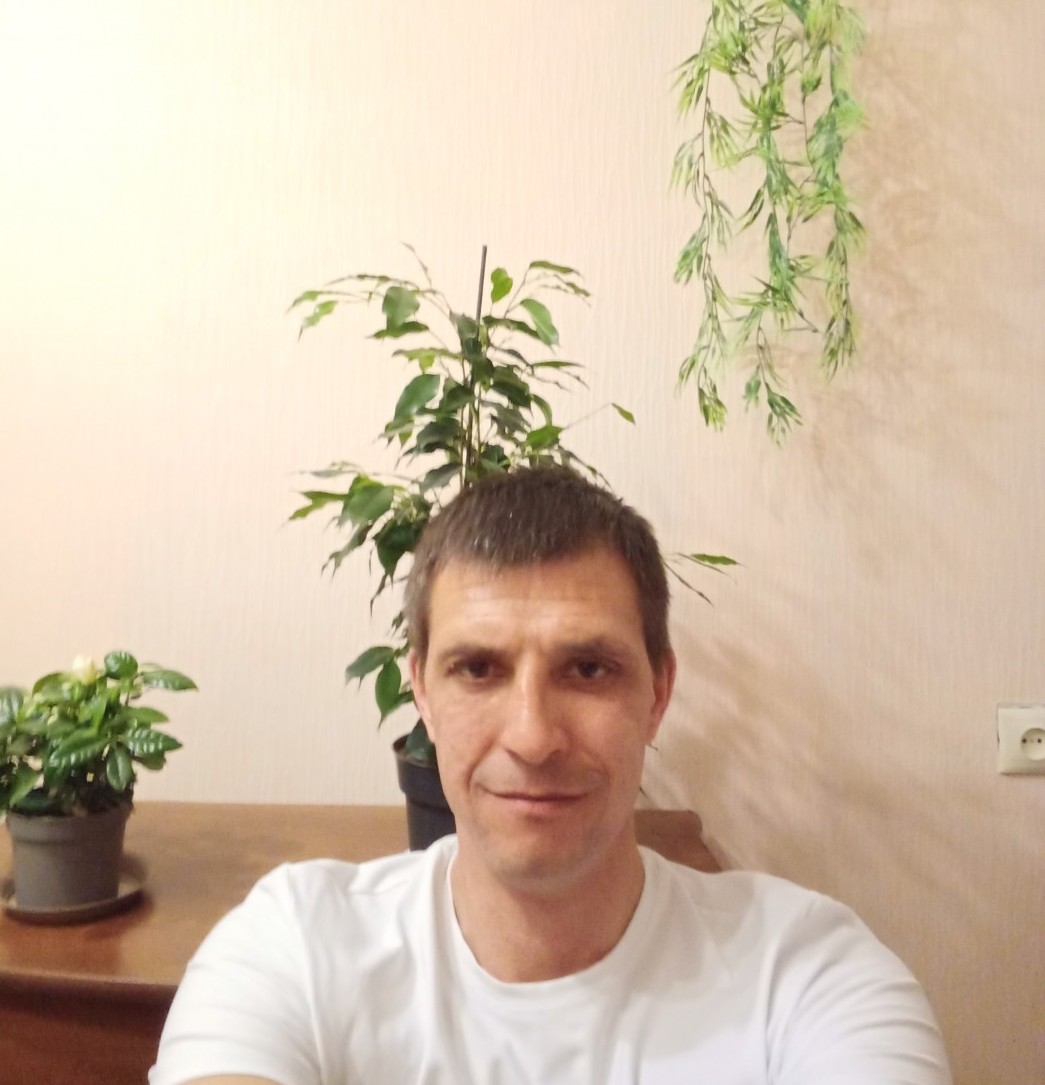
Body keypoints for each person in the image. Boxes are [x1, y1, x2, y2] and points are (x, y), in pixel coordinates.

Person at [150, 466, 952, 1085]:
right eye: (478, 669)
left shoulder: (811, 977)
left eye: (588, 668)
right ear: (421, 690)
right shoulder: (293, 945)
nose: (533, 736)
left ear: (657, 693)